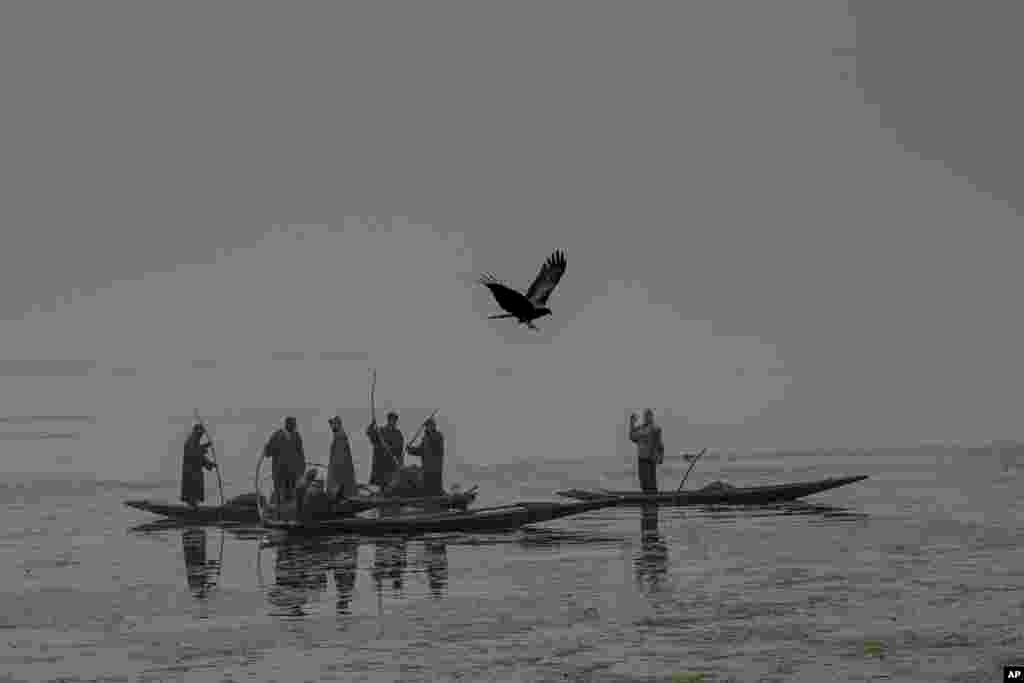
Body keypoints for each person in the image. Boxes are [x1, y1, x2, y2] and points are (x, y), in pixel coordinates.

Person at [263, 416, 305, 507]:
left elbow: (300, 453)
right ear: (287, 424)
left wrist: (302, 469)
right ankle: (280, 514)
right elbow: (267, 452)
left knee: (292, 496)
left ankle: (290, 515)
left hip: (293, 472)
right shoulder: (277, 435)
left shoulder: (296, 436)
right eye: (292, 425)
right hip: (279, 472)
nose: (294, 427)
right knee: (280, 496)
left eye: (294, 425)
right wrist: (269, 448)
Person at [181, 423, 217, 508]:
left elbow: (200, 456)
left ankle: (194, 505)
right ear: (196, 432)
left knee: (195, 490)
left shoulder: (195, 441)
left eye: (202, 434)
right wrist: (204, 448)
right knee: (191, 490)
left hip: (195, 471)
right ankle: (192, 506)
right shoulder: (190, 440)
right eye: (200, 433)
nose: (201, 435)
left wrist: (210, 463)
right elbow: (195, 454)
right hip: (191, 472)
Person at [406, 416, 444, 496]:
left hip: (435, 466)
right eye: (427, 426)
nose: (428, 427)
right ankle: (428, 499)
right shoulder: (425, 438)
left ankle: (437, 498)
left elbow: (436, 447)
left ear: (434, 426)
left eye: (430, 425)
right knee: (427, 486)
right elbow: (420, 450)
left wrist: (429, 435)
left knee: (435, 485)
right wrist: (410, 449)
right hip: (426, 466)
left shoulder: (438, 436)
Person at [629, 408, 664, 494]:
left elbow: (660, 444)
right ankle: (648, 500)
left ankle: (652, 500)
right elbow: (632, 437)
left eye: (649, 415)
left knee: (650, 482)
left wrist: (660, 457)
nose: (647, 417)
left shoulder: (655, 429)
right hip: (642, 458)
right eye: (646, 416)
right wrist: (632, 423)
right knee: (644, 482)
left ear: (652, 417)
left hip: (650, 458)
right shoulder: (641, 428)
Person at [367, 411, 404, 488]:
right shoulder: (381, 431)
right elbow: (371, 436)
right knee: (377, 485)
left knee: (389, 485)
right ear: (388, 420)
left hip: (390, 464)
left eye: (394, 420)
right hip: (379, 463)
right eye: (391, 420)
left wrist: (390, 447)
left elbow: (399, 448)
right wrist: (372, 426)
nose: (393, 422)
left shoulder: (398, 434)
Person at [326, 416, 357, 502]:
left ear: (338, 425)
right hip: (339, 469)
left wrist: (336, 472)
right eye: (331, 424)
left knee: (341, 491)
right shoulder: (338, 436)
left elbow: (339, 458)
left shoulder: (340, 437)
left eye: (333, 424)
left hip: (340, 470)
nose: (332, 426)